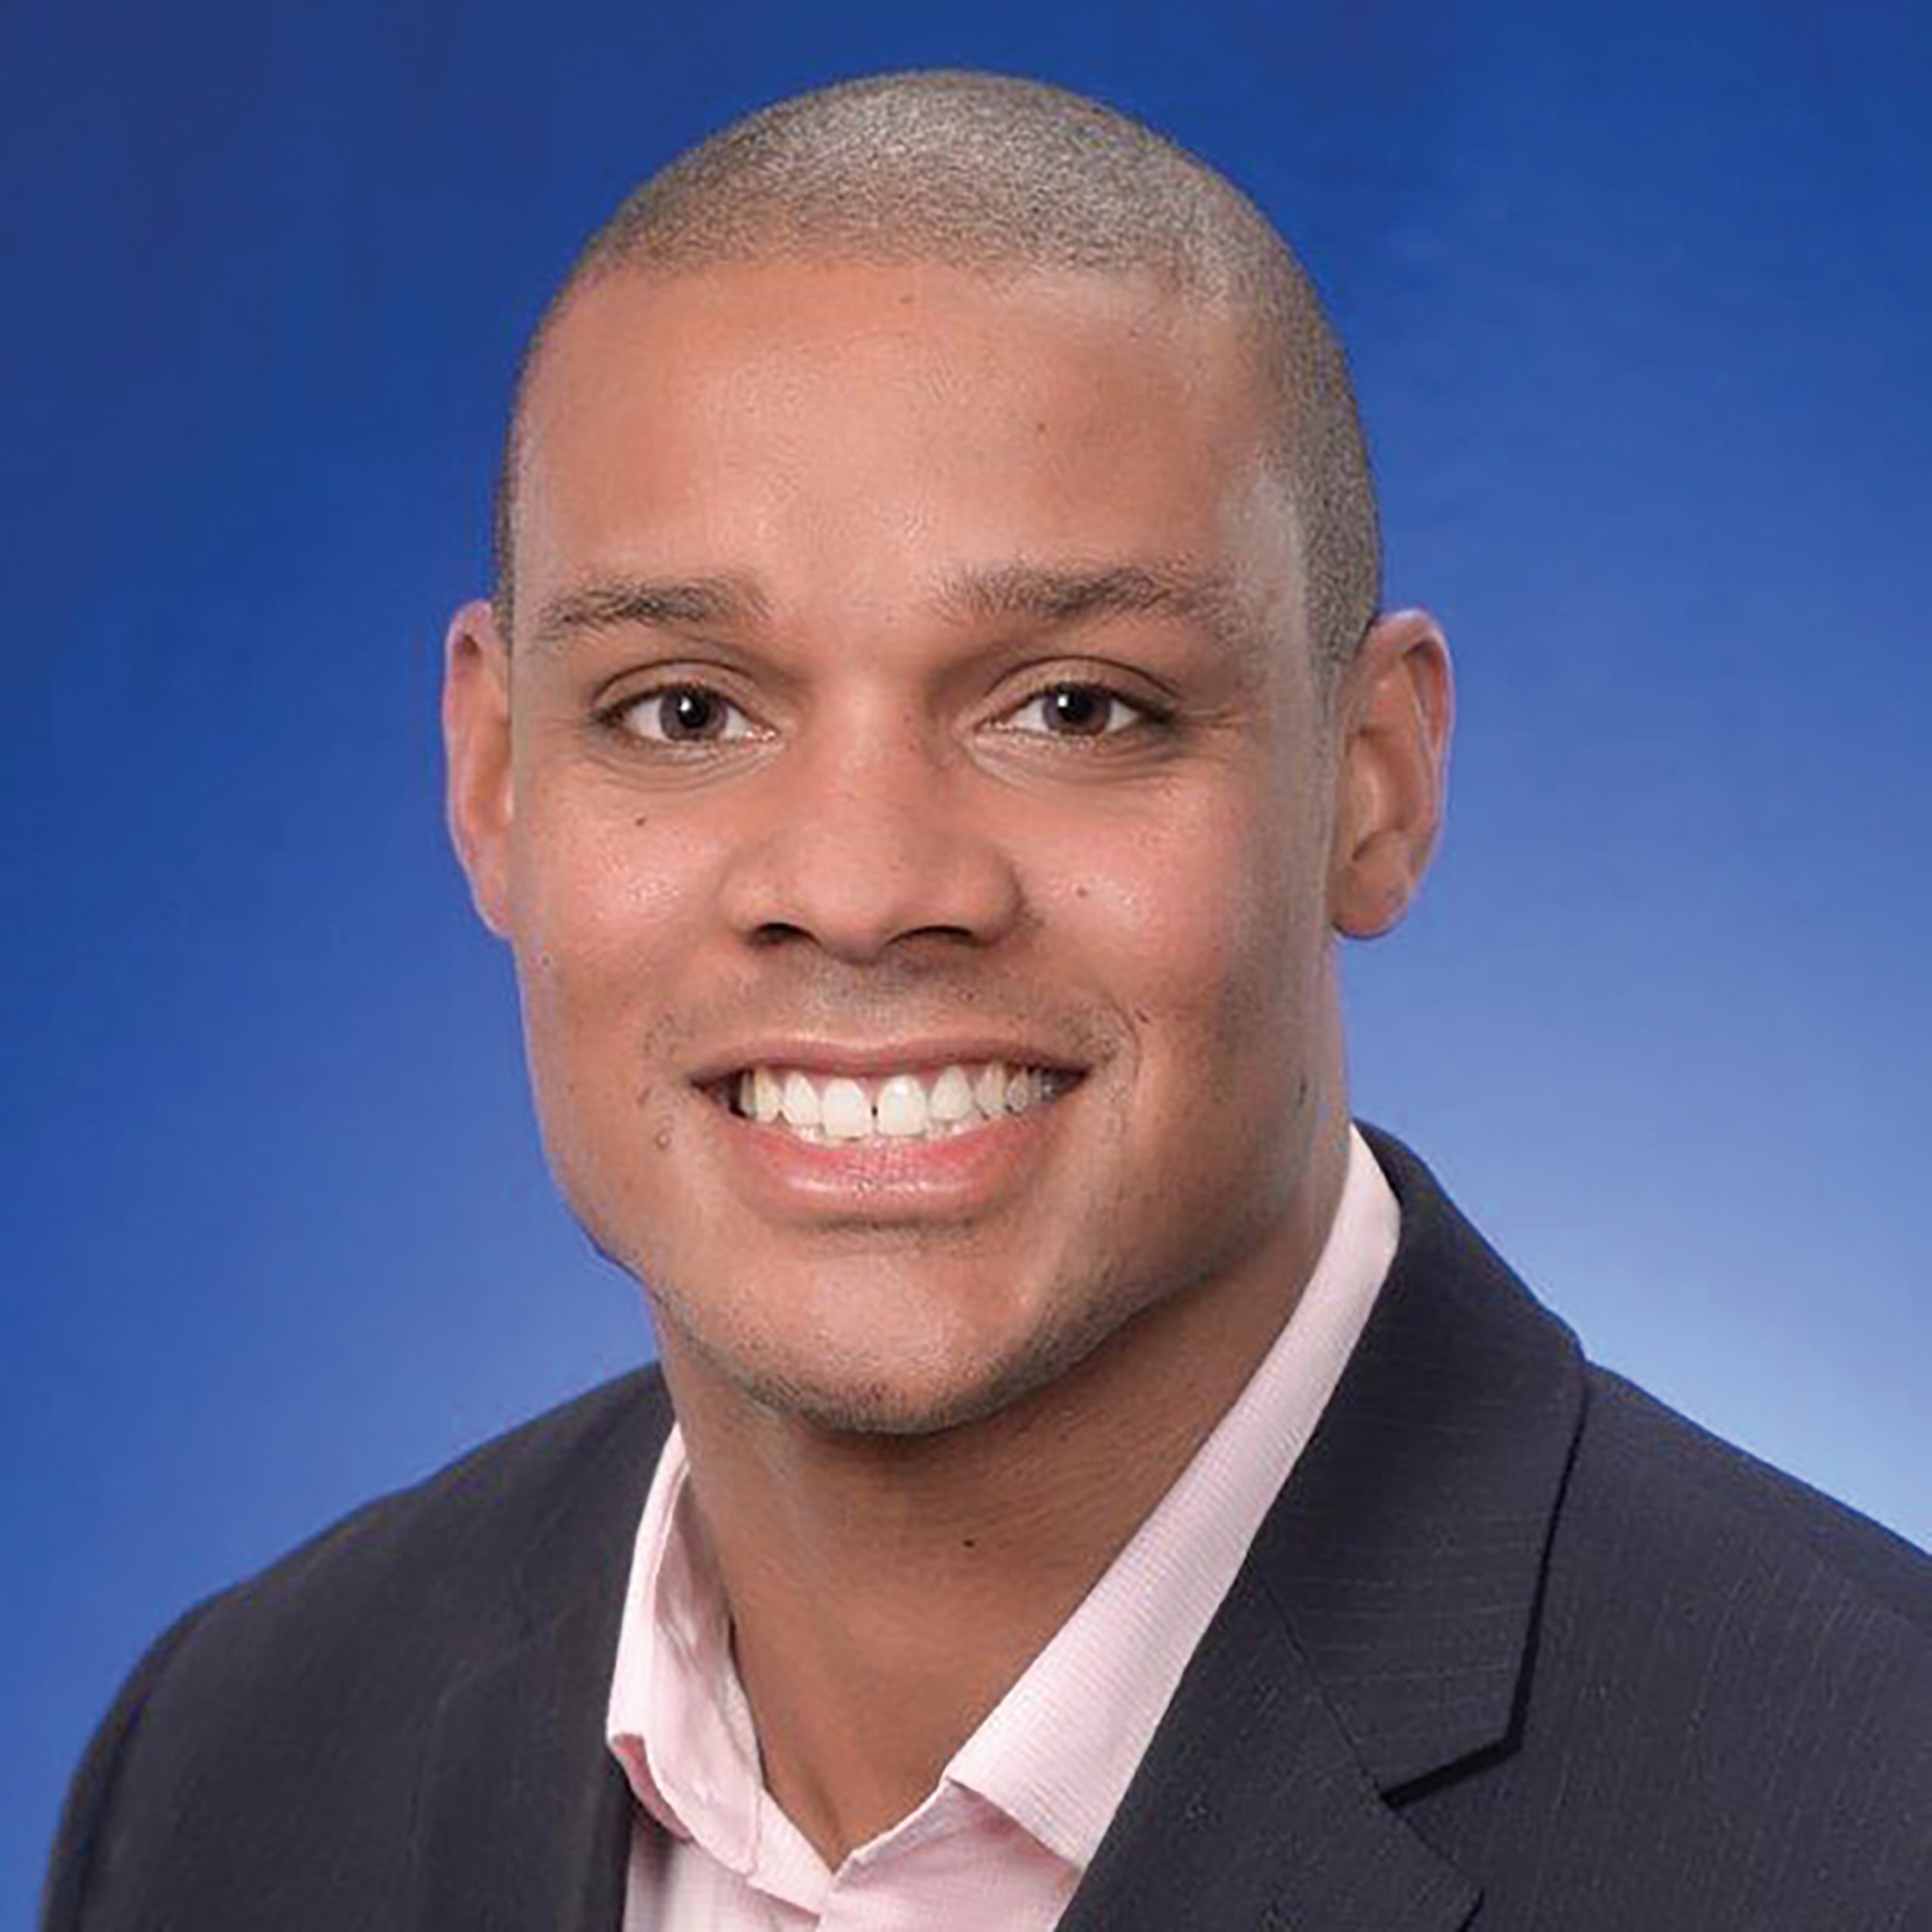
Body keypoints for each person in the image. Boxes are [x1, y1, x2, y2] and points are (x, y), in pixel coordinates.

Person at [43, 69, 1932, 1932]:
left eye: (1075, 707)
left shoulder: (1872, 1821)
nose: (864, 888)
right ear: (494, 782)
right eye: (685, 710)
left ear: (1374, 787)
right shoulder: (228, 1771)